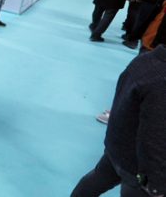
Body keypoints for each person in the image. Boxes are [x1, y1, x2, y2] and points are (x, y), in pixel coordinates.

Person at [70, 46, 166, 197]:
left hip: (117, 148)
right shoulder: (161, 82)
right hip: (140, 169)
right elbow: (154, 139)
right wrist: (156, 186)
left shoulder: (145, 60)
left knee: (96, 180)